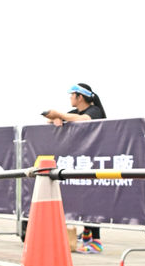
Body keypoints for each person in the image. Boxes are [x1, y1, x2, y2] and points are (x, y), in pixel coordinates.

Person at [42, 82, 107, 245]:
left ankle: (96, 241)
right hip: (81, 161)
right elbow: (51, 119)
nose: (70, 98)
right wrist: (56, 117)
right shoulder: (74, 112)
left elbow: (83, 120)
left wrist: (59, 115)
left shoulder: (94, 111)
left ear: (80, 97)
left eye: (72, 95)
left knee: (92, 198)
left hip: (94, 161)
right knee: (83, 198)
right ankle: (86, 235)